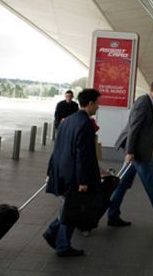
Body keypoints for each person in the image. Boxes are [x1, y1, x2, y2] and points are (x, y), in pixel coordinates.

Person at [108, 79, 153, 227]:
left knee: (122, 184)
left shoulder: (146, 102)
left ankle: (113, 215)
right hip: (139, 153)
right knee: (151, 184)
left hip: (138, 150)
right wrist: (129, 151)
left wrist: (151, 142)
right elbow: (134, 128)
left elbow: (143, 127)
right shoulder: (144, 103)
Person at [43, 88, 101, 257]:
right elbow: (82, 155)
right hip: (75, 175)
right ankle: (62, 245)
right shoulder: (85, 124)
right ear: (90, 104)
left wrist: (50, 171)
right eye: (97, 103)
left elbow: (57, 148)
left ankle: (53, 232)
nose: (98, 107)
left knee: (69, 207)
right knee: (73, 209)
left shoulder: (67, 121)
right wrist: (83, 181)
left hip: (62, 170)